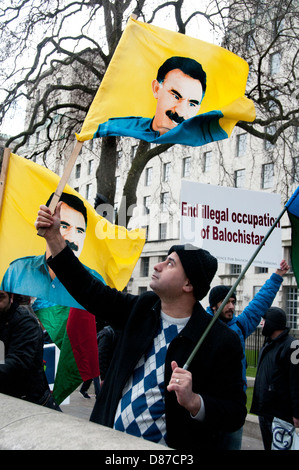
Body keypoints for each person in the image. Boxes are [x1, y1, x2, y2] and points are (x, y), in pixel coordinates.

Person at [35, 202, 247, 451]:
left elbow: (235, 413)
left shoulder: (219, 340)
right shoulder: (142, 309)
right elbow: (90, 291)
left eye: (170, 263)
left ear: (188, 284)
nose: (157, 266)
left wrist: (194, 401)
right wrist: (55, 239)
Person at [206, 259, 290, 450]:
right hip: (209, 405)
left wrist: (276, 277)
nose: (231, 306)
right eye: (225, 302)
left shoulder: (240, 325)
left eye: (233, 302)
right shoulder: (202, 327)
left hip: (235, 405)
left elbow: (259, 303)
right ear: (213, 306)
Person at [93, 56, 227, 147]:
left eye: (191, 104)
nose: (180, 111)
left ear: (198, 109)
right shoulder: (113, 127)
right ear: (156, 88)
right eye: (175, 96)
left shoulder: (206, 138)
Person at [1, 192, 105, 308]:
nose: (71, 238)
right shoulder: (17, 271)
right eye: (64, 226)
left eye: (79, 231)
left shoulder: (95, 281)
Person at [0, 290, 61, 411]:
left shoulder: (26, 322)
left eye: (0, 297)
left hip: (32, 404)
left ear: (11, 297)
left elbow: (17, 362)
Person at [250, 307, 299, 450]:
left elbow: (296, 381)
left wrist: (297, 412)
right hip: (265, 410)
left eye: (264, 320)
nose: (262, 324)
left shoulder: (293, 346)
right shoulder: (268, 343)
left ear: (272, 322)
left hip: (281, 413)